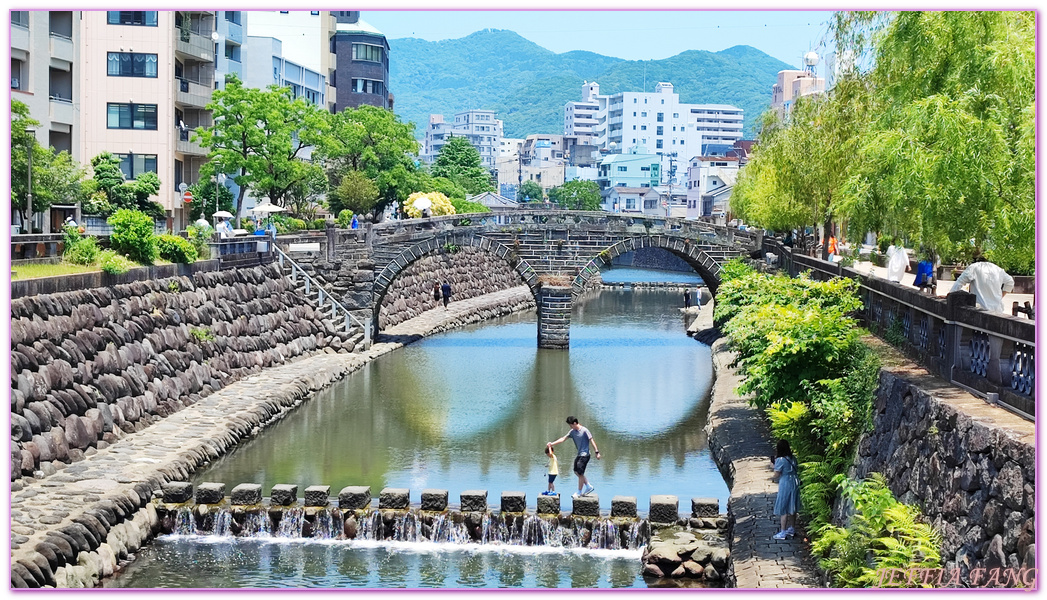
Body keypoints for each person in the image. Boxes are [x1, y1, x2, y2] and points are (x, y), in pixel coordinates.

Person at [547, 416, 601, 498]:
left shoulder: (584, 431)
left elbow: (591, 440)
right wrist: (552, 443)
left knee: (580, 472)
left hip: (585, 455)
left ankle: (579, 492)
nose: (570, 427)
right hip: (579, 454)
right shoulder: (572, 432)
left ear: (575, 423)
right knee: (576, 471)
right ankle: (588, 486)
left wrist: (597, 452)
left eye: (571, 425)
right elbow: (563, 439)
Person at [950, 255, 1015, 314]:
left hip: (980, 309)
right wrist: (1001, 296)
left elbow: (960, 281)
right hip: (997, 310)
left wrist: (950, 295)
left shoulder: (974, 267)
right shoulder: (998, 269)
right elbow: (1010, 282)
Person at [772, 439, 800, 540]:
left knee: (783, 506)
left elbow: (777, 474)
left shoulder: (780, 460)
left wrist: (773, 467)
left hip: (785, 482)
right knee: (792, 506)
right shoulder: (793, 458)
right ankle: (792, 528)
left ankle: (783, 532)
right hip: (794, 481)